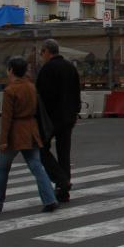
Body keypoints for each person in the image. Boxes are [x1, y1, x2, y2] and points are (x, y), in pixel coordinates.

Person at [0, 56, 58, 213]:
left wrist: (2, 140)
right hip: (31, 130)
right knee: (37, 166)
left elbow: (6, 118)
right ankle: (50, 198)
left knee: (3, 169)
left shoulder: (10, 90)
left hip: (15, 132)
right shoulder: (31, 87)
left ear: (11, 70)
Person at [37, 38, 82, 203]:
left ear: (48, 52)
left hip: (51, 119)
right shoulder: (70, 67)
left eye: (42, 53)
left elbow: (42, 96)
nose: (41, 56)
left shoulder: (47, 69)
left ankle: (61, 180)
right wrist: (76, 112)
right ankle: (63, 191)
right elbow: (77, 91)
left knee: (41, 149)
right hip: (68, 117)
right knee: (64, 153)